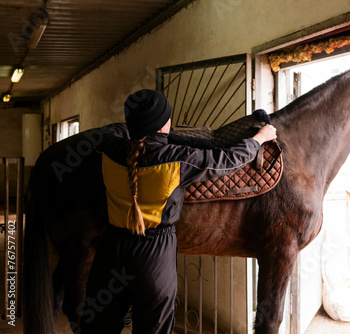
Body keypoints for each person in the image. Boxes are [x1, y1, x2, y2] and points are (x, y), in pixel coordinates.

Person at [80, 89, 277, 334]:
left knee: (98, 326)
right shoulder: (178, 157)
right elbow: (228, 160)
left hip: (110, 251)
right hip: (153, 256)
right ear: (165, 125)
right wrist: (259, 138)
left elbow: (114, 132)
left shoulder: (108, 148)